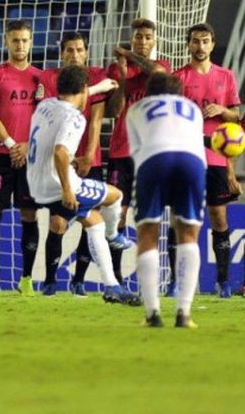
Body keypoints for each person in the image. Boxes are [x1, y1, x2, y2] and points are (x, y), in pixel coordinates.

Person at [26, 65, 139, 305]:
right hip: (59, 185)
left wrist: (70, 161)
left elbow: (49, 145)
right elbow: (59, 151)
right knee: (116, 196)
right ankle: (115, 235)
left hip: (36, 182)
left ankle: (112, 287)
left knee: (93, 221)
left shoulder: (45, 105)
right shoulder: (75, 118)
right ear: (83, 91)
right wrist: (68, 189)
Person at [35, 32, 118, 296]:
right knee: (58, 223)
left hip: (86, 159)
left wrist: (88, 156)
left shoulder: (96, 75)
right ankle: (49, 280)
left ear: (86, 52)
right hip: (58, 162)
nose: (74, 54)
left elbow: (96, 120)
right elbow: (57, 108)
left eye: (79, 49)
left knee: (90, 221)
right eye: (69, 50)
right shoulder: (50, 78)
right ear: (62, 54)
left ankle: (79, 281)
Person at [127, 73, 205, 328]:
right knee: (188, 234)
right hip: (192, 162)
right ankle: (184, 313)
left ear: (149, 92)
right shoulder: (193, 108)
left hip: (154, 159)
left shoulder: (137, 109)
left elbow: (136, 153)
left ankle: (153, 314)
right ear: (179, 92)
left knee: (148, 234)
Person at [173, 22, 241, 298]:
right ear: (188, 45)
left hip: (216, 157)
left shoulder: (226, 76)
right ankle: (177, 283)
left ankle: (222, 282)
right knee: (183, 219)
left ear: (212, 44)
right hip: (187, 156)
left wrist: (222, 110)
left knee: (219, 217)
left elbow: (237, 120)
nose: (200, 47)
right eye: (195, 42)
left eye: (205, 41)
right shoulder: (178, 78)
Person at [0, 20, 41, 298]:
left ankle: (26, 279)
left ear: (31, 42)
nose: (20, 45)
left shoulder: (41, 78)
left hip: (31, 157)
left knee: (30, 214)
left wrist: (28, 146)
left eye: (25, 40)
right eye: (15, 40)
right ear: (7, 42)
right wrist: (14, 144)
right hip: (1, 155)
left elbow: (44, 119)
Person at [105, 18, 170, 286]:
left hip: (150, 152)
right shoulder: (115, 68)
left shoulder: (162, 65)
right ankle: (117, 277)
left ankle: (148, 276)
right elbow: (112, 112)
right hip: (121, 150)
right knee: (117, 214)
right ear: (132, 38)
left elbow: (155, 72)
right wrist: (120, 80)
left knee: (148, 214)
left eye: (147, 37)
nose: (142, 41)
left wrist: (128, 54)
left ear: (154, 41)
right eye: (138, 37)